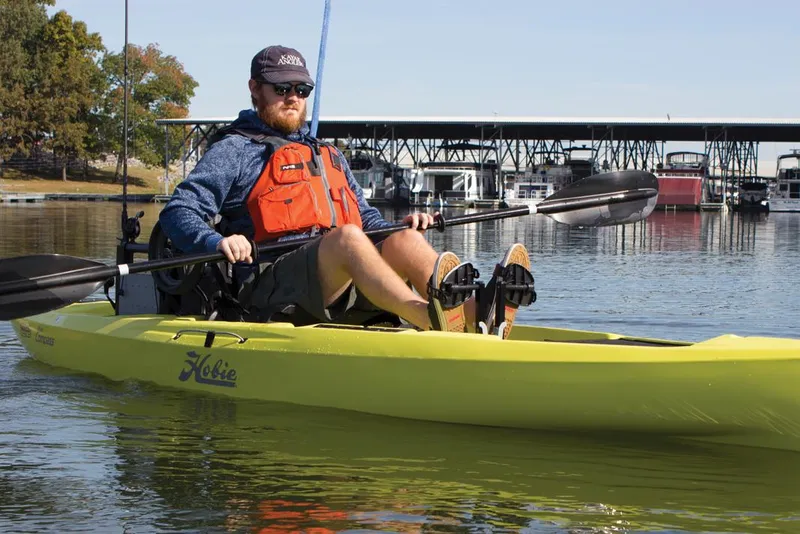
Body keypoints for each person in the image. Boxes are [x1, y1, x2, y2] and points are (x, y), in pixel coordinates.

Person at [159, 44, 530, 335]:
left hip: (337, 283)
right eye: (282, 88)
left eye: (302, 89)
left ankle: (475, 313)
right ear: (255, 89)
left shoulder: (328, 153)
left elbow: (365, 218)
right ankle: (429, 316)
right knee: (348, 239)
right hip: (270, 286)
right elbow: (179, 211)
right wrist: (216, 242)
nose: (293, 97)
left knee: (398, 238)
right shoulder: (236, 149)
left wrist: (403, 225)